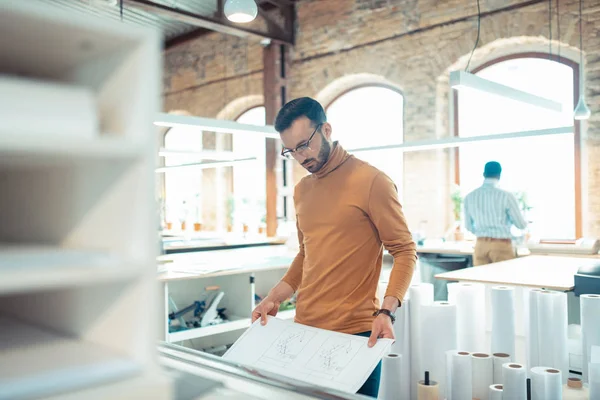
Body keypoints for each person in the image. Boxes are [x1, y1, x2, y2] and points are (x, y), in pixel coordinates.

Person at [251, 97, 416, 398]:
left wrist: (387, 312)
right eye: (291, 151)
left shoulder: (372, 181)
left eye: (304, 144)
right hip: (304, 329)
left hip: (356, 335)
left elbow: (404, 250)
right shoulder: (302, 190)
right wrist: (274, 298)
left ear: (326, 129)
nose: (301, 157)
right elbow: (306, 254)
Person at [463, 161, 528, 266]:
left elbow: (468, 226)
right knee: (502, 280)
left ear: (484, 174)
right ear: (499, 175)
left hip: (480, 245)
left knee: (481, 280)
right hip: (501, 245)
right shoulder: (506, 196)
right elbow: (520, 224)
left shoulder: (470, 197)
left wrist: (483, 233)